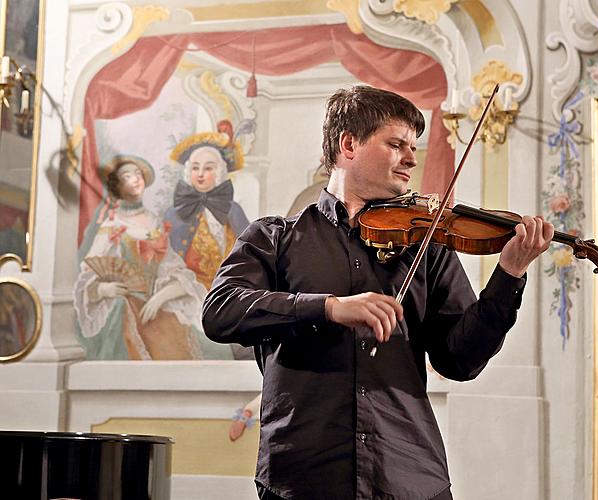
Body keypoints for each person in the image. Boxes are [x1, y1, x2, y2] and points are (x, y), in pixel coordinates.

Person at [202, 85, 554, 499]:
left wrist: (509, 273)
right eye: (396, 144)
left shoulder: (427, 245)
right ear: (348, 144)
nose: (411, 158)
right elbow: (220, 311)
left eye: (414, 146)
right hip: (303, 476)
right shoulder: (273, 238)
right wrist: (330, 308)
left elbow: (461, 361)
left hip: (408, 476)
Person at [74, 155, 228, 360]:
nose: (136, 179)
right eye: (127, 176)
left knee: (208, 347)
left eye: (138, 174)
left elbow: (174, 268)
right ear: (116, 185)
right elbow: (89, 273)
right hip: (125, 306)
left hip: (156, 302)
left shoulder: (154, 222)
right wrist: (104, 289)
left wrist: (161, 297)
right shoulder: (112, 226)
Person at [165, 128, 250, 290]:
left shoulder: (233, 210)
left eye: (208, 168)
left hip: (231, 288)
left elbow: (252, 249)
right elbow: (166, 261)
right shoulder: (175, 212)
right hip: (189, 289)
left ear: (219, 172)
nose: (200, 174)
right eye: (195, 168)